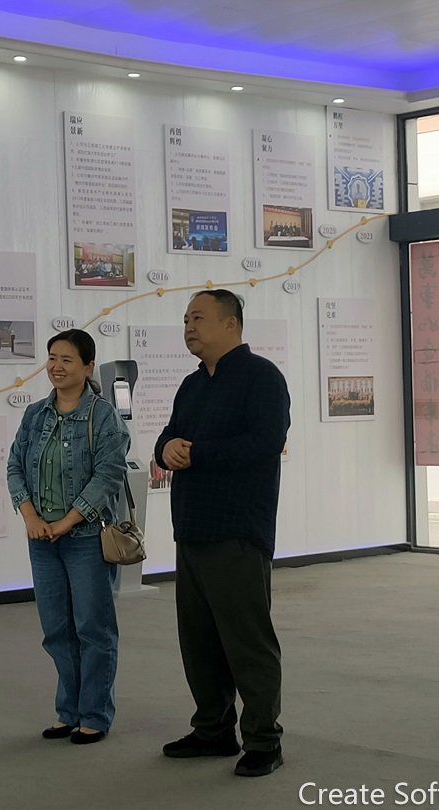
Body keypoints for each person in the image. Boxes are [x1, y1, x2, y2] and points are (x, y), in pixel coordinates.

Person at [154, 289, 291, 778]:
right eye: (185, 319)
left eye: (198, 318)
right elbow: (169, 434)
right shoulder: (192, 384)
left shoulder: (262, 378)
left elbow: (266, 442)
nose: (188, 327)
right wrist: (166, 447)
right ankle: (213, 730)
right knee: (199, 642)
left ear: (230, 324)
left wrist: (198, 453)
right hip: (191, 529)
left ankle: (263, 741)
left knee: (246, 642)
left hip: (237, 531)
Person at [6, 329, 130, 745]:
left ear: (88, 367)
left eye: (67, 359)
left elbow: (108, 476)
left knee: (93, 629)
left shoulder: (103, 416)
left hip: (86, 538)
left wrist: (68, 520)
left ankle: (94, 714)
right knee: (57, 630)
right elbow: (14, 467)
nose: (56, 367)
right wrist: (30, 516)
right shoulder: (35, 415)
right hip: (42, 540)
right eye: (52, 358)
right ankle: (68, 711)